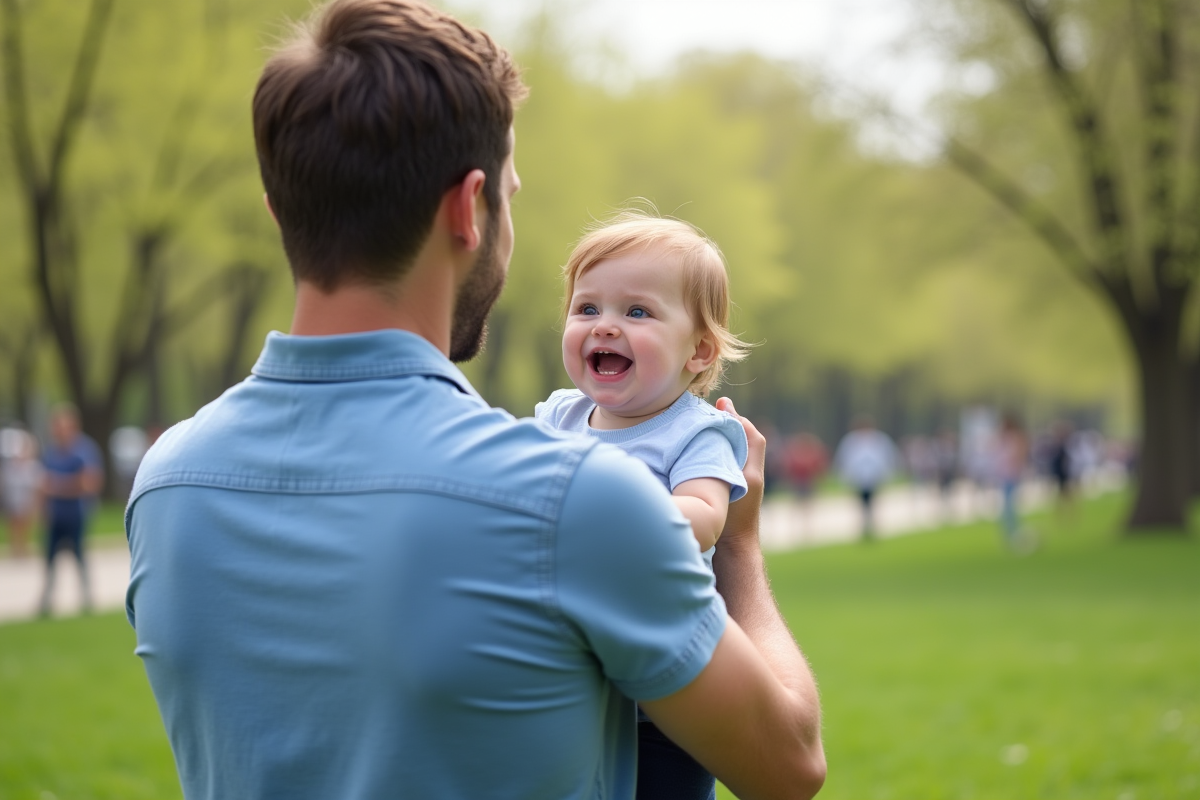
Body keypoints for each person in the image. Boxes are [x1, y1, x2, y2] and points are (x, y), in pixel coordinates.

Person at [123, 2, 826, 799]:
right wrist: (739, 544)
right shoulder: (576, 501)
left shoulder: (168, 483)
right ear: (469, 208)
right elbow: (789, 768)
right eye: (511, 198)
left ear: (280, 208)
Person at [535, 211, 750, 800]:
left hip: (664, 693)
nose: (604, 327)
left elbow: (705, 517)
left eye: (637, 312)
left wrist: (611, 514)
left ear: (700, 351)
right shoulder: (560, 416)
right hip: (574, 677)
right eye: (587, 309)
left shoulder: (697, 432)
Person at [39, 404, 104, 615]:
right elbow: (42, 485)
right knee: (49, 559)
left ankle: (87, 599)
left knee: (79, 556)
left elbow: (89, 482)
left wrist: (57, 486)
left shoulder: (84, 450)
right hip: (56, 514)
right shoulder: (51, 451)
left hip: (76, 513)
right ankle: (47, 601)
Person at [834, 416, 899, 541]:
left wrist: (887, 474)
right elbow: (844, 459)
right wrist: (845, 476)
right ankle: (864, 526)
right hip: (858, 478)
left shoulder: (880, 440)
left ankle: (872, 526)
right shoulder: (851, 441)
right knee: (862, 503)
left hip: (874, 477)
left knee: (873, 502)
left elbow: (888, 457)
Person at [1, 427, 43, 559]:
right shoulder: (10, 467)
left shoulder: (32, 467)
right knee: (14, 524)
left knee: (25, 524)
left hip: (26, 500)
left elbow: (37, 486)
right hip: (13, 499)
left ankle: (23, 547)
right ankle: (16, 548)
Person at [995, 411, 1032, 551]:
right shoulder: (1004, 437)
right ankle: (1010, 534)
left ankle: (1013, 534)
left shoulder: (1017, 437)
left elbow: (1019, 455)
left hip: (1011, 475)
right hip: (1005, 475)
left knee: (1009, 508)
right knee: (1007, 507)